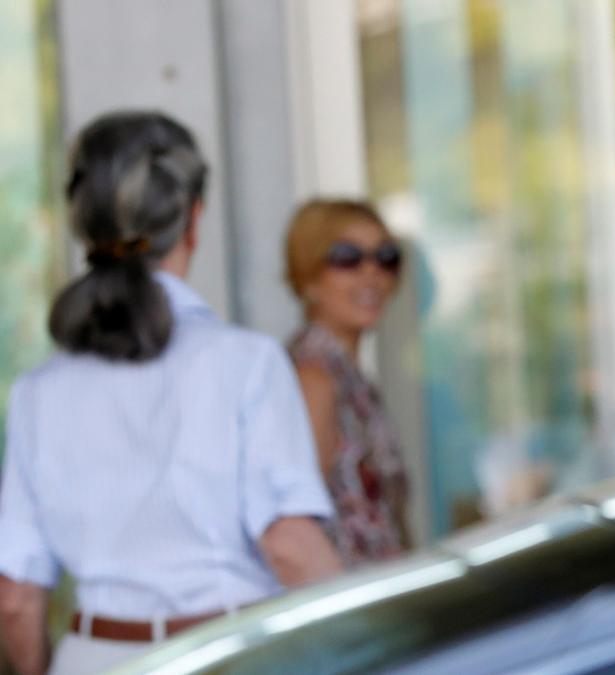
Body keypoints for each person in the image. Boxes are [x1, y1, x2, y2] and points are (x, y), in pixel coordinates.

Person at [0, 111, 342, 675]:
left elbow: (17, 596)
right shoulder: (246, 363)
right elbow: (289, 544)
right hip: (230, 654)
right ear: (194, 220)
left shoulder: (38, 392)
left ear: (85, 227)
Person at [284, 199, 411, 565]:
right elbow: (297, 528)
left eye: (385, 256)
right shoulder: (314, 377)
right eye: (347, 257)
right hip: (350, 608)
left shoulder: (349, 376)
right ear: (308, 277)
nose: (371, 273)